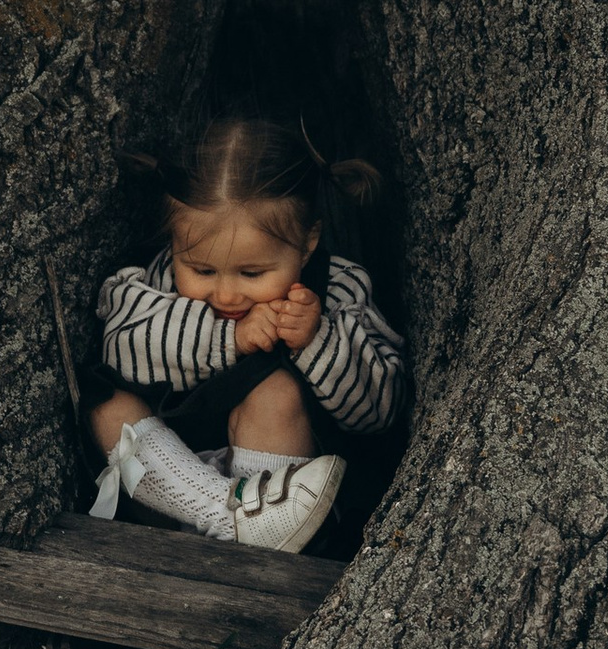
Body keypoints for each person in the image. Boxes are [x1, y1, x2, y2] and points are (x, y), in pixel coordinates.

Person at [84, 117, 403, 554]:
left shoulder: (337, 289)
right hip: (171, 492)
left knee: (274, 392)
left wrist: (317, 339)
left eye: (252, 273)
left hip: (281, 490)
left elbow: (379, 411)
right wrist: (227, 339)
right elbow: (119, 348)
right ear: (175, 242)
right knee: (107, 406)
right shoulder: (155, 277)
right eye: (201, 270)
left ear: (307, 245)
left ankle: (255, 538)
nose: (227, 292)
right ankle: (225, 517)